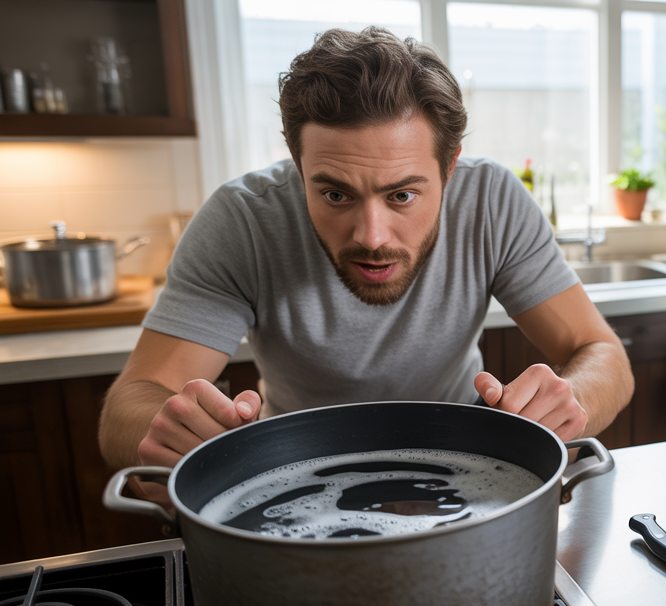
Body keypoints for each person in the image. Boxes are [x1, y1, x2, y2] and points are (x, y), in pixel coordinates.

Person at [99, 27, 633, 482]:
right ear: (297, 165)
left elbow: (602, 354)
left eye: (402, 195)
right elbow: (129, 405)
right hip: (296, 470)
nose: (372, 235)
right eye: (335, 194)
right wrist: (168, 428)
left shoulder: (490, 199)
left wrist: (572, 400)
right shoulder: (241, 220)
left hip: (465, 461)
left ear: (449, 171)